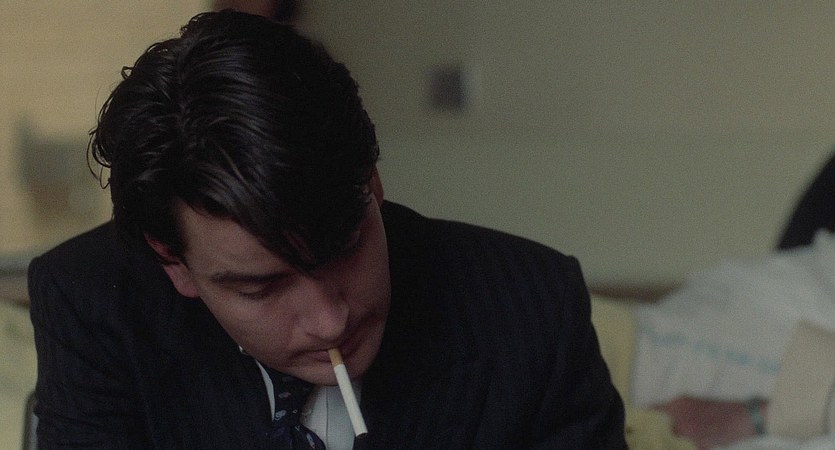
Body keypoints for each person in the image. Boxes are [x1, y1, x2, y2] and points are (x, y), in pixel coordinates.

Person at [27, 10, 626, 449]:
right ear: (173, 262)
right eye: (261, 287)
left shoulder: (531, 305)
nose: (330, 320)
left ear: (373, 184)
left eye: (344, 249)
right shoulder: (93, 301)